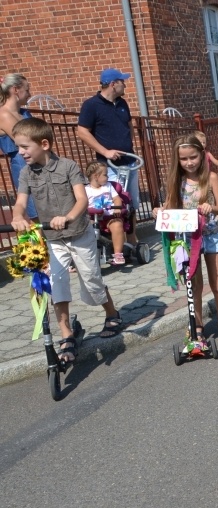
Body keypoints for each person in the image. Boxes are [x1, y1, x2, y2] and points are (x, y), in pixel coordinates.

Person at [11, 118, 123, 363]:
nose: (20, 152)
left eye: (24, 147)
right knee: (57, 284)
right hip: (53, 239)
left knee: (92, 281)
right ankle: (67, 334)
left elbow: (82, 199)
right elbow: (20, 201)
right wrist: (18, 216)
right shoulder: (26, 173)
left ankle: (112, 313)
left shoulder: (68, 167)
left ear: (44, 144)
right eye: (17, 147)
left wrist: (68, 216)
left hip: (79, 234)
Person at [154, 134, 218, 344]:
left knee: (217, 283)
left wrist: (211, 207)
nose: (189, 162)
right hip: (188, 240)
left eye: (193, 157)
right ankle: (197, 326)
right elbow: (170, 206)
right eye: (184, 159)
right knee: (194, 285)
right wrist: (160, 211)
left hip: (211, 236)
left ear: (201, 155)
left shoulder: (211, 178)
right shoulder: (176, 181)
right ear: (177, 160)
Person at [77, 68, 141, 247]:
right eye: (122, 81)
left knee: (132, 202)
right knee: (113, 203)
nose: (125, 85)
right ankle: (114, 242)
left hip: (129, 162)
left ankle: (132, 239)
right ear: (113, 84)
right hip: (110, 166)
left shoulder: (122, 103)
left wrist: (130, 146)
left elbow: (129, 125)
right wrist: (105, 152)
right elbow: (82, 132)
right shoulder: (91, 105)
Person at [0, 73, 37, 220]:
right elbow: (26, 141)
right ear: (16, 90)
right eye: (27, 90)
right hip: (23, 164)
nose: (29, 94)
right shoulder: (3, 114)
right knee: (38, 214)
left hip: (39, 160)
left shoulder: (23, 112)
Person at [84, 161, 127, 266]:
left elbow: (117, 198)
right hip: (93, 218)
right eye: (105, 175)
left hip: (109, 217)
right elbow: (83, 203)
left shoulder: (108, 186)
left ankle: (118, 254)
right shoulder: (86, 190)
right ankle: (85, 257)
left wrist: (117, 208)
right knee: (84, 229)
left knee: (117, 225)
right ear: (96, 176)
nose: (107, 177)